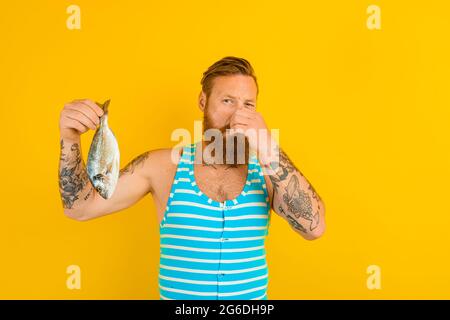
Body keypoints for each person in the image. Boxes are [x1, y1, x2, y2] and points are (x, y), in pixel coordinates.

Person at [58, 56, 326, 300]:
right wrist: (70, 137)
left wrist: (268, 147)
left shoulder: (268, 170)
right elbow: (80, 208)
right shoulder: (162, 166)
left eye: (248, 105)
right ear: (202, 101)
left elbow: (314, 228)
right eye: (227, 101)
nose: (238, 115)